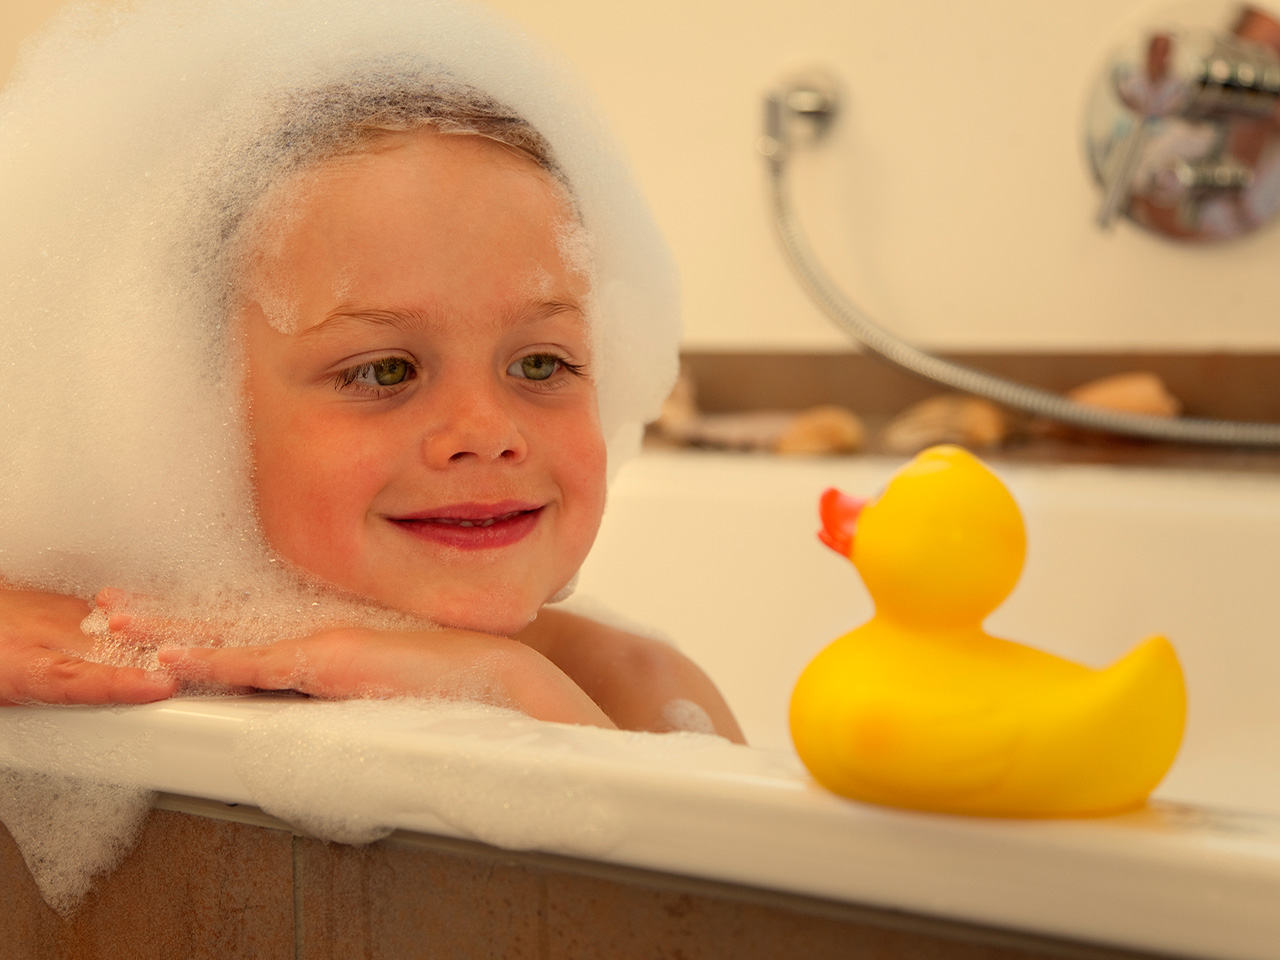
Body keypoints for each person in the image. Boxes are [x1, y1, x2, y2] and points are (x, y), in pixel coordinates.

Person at [0, 0, 744, 742]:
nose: (487, 433)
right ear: (191, 414)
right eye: (385, 372)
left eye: (541, 362)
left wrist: (513, 684)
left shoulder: (647, 700)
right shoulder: (63, 645)